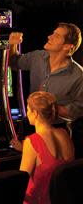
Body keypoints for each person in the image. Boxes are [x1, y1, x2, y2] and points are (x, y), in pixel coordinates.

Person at [9, 23, 83, 157]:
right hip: (30, 125)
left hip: (56, 130)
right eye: (52, 33)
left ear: (67, 46)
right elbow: (14, 62)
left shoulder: (78, 75)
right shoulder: (38, 57)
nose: (50, 36)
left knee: (50, 171)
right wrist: (13, 44)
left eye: (57, 35)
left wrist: (49, 108)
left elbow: (79, 108)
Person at [19, 91, 74, 204]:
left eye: (28, 110)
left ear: (35, 113)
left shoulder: (32, 141)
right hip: (63, 197)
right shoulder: (64, 133)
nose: (27, 114)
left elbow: (21, 181)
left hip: (40, 199)